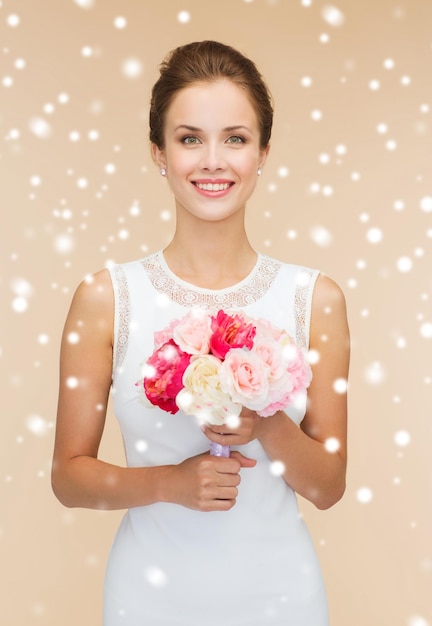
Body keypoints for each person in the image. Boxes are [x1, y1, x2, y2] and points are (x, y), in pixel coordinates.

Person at [52, 40, 350, 625]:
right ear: (159, 153)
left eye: (235, 139)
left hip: (280, 598)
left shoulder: (315, 300)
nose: (213, 161)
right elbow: (68, 477)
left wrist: (264, 423)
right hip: (149, 598)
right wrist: (170, 483)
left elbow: (329, 486)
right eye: (190, 139)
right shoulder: (106, 298)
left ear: (263, 152)